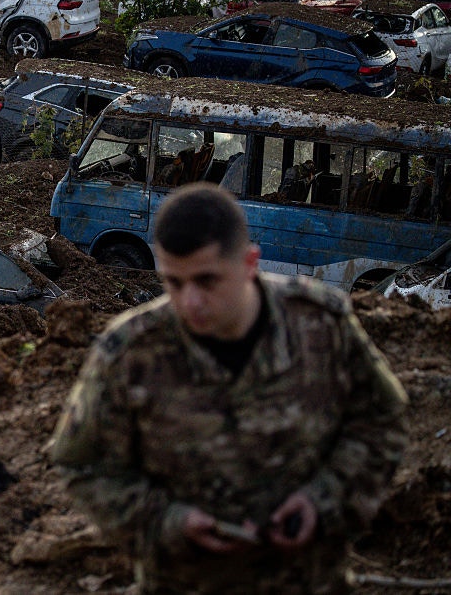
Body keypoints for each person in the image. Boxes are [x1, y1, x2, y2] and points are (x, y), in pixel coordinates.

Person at [47, 183, 408, 594]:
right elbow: (81, 463)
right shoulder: (131, 351)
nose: (190, 302)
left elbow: (382, 420)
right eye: (174, 282)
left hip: (307, 580)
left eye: (207, 281)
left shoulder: (320, 323)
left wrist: (325, 498)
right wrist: (167, 521)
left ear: (249, 263)